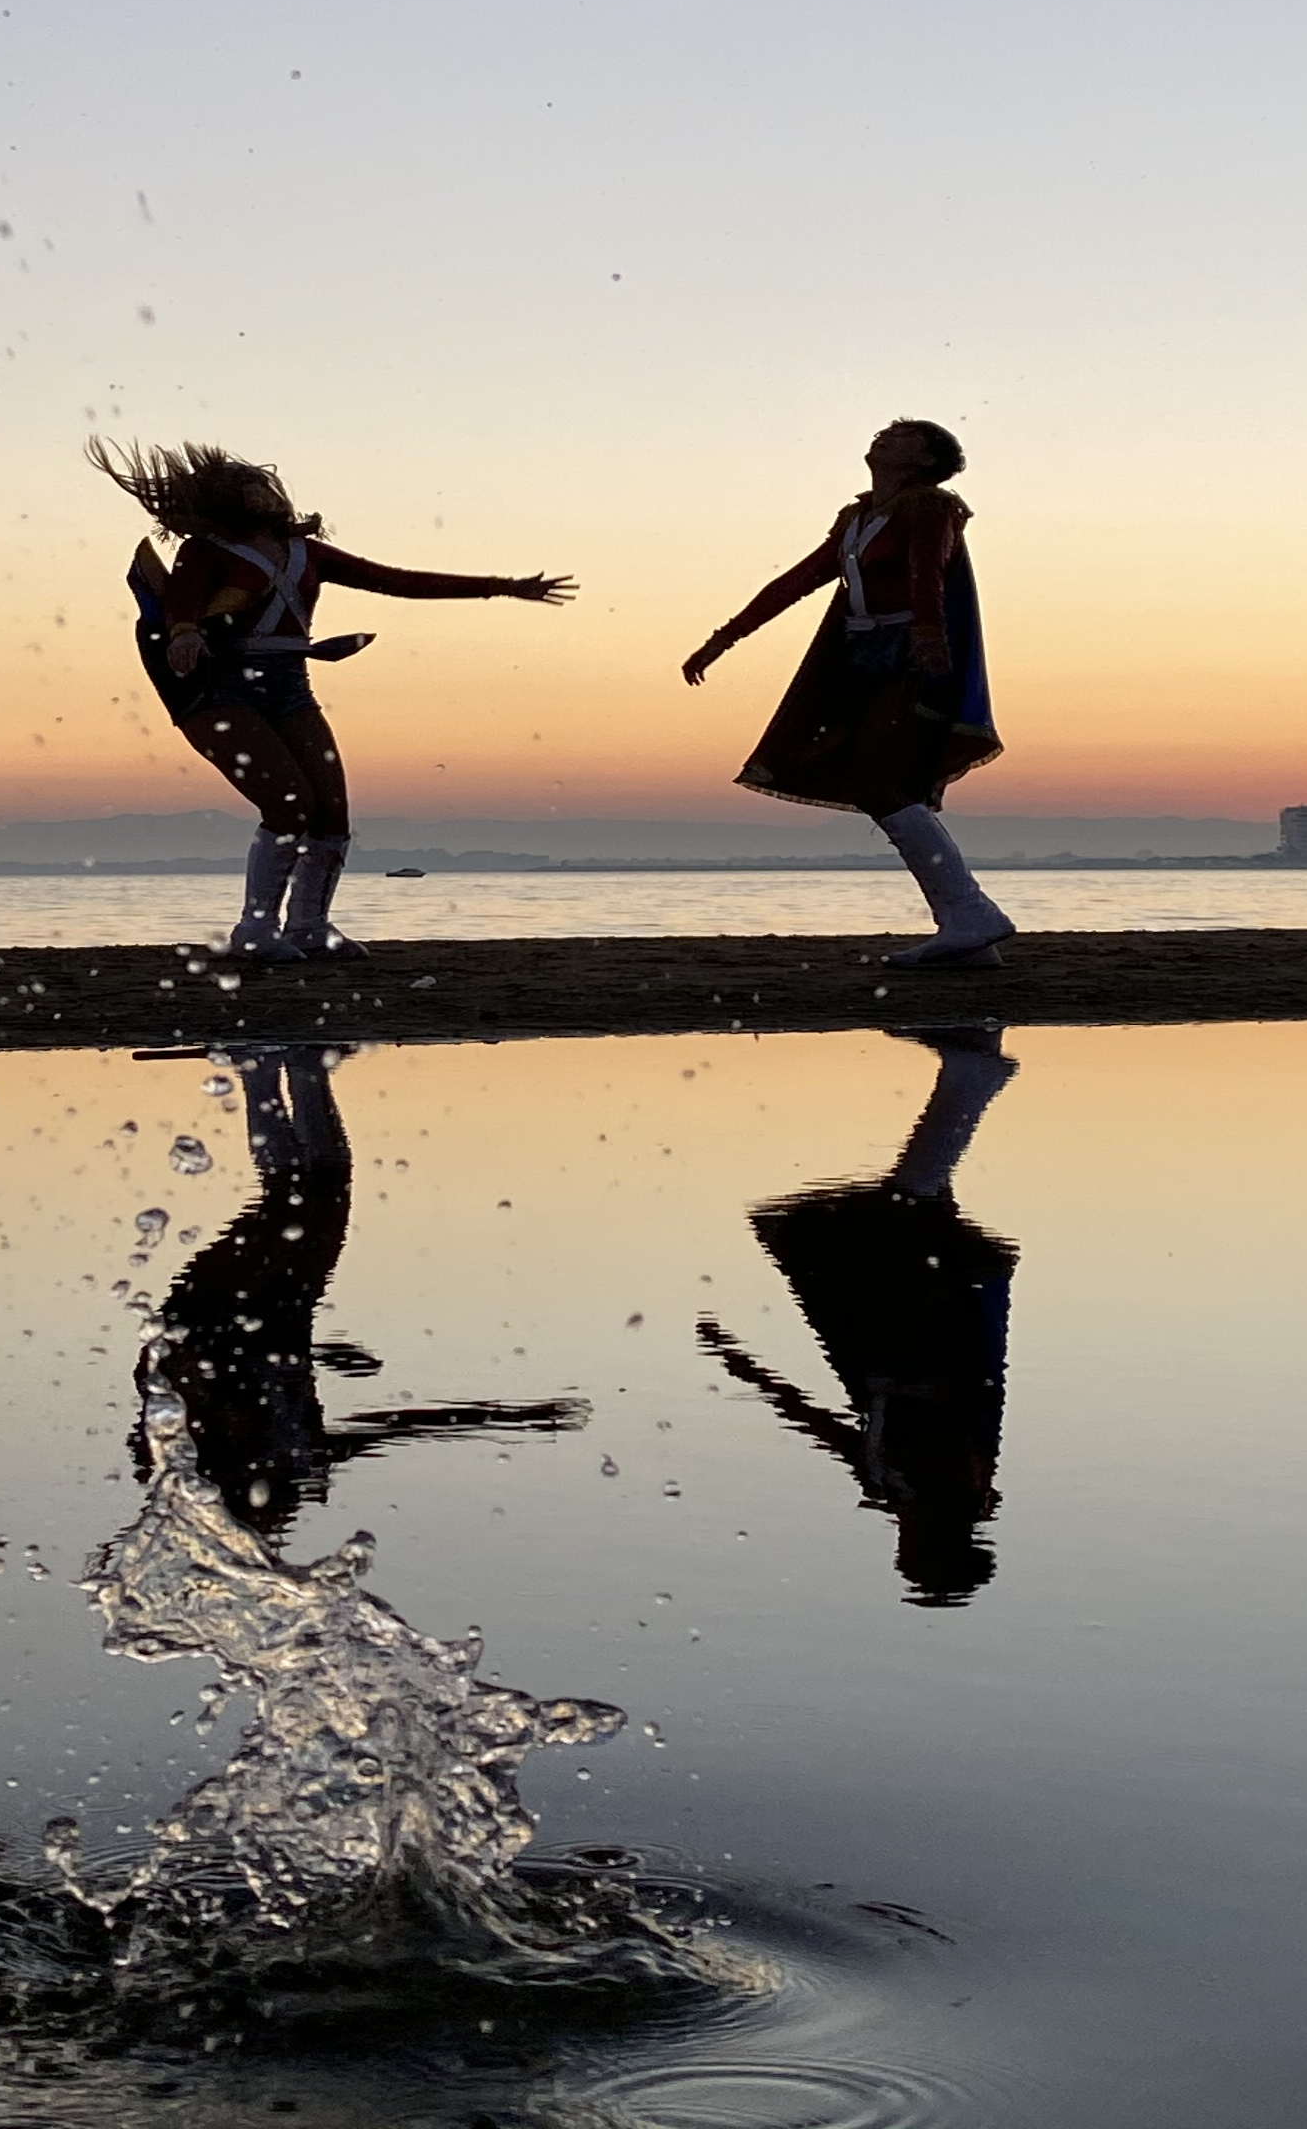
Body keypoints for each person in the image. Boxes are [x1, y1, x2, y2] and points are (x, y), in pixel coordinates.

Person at [89, 439, 573, 962]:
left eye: (261, 483)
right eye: (245, 486)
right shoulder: (204, 550)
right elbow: (182, 603)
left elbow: (396, 581)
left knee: (332, 812)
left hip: (290, 686)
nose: (260, 491)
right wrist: (184, 632)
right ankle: (254, 931)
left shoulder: (306, 552)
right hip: (219, 689)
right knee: (288, 803)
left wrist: (500, 587)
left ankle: (309, 927)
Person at [141, 1045, 585, 1540]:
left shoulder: (195, 1448)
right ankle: (287, 1069)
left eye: (273, 1520)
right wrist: (509, 1418)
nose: (286, 1518)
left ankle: (276, 1070)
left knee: (311, 1192)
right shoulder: (295, 1458)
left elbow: (179, 1366)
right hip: (273, 1304)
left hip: (218, 1310)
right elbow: (398, 1427)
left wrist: (297, 1352)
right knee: (309, 1191)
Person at [696, 1028, 1021, 1607]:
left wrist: (750, 1373)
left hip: (878, 1346)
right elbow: (950, 1408)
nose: (901, 1552)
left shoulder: (899, 1492)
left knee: (907, 1211)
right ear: (938, 1545)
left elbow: (827, 1430)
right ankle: (971, 1079)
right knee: (899, 1216)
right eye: (913, 1560)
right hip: (923, 1336)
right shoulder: (954, 1488)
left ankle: (969, 1074)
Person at [682, 417, 1012, 967]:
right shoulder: (858, 519)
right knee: (871, 781)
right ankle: (968, 931)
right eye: (886, 430)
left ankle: (970, 913)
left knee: (879, 781)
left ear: (928, 460)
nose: (885, 436)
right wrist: (723, 640)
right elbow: (797, 581)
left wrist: (930, 650)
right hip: (861, 660)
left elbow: (927, 575)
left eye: (905, 435)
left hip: (910, 658)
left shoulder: (930, 507)